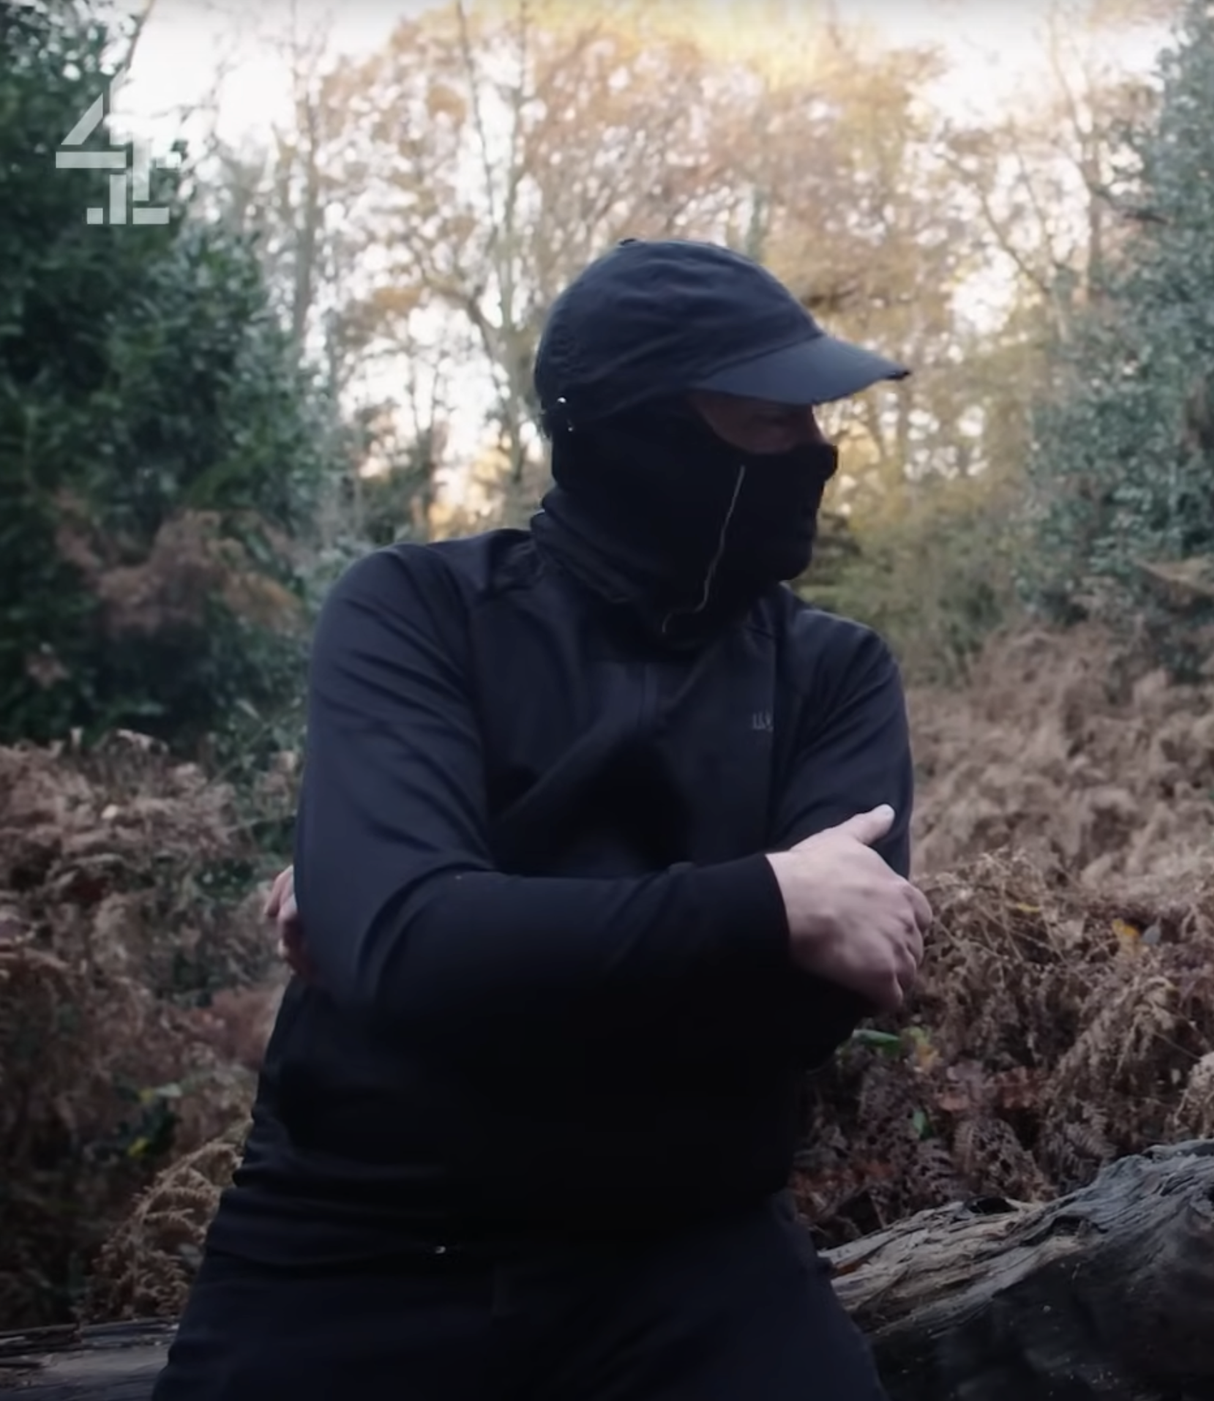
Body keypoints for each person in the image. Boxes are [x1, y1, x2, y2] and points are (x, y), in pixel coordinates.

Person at [152, 238, 931, 1401]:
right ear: (637, 434)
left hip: (695, 1247)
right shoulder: (414, 610)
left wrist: (458, 927)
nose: (815, 452)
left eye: (817, 420)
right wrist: (770, 899)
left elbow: (814, 1001)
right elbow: (419, 950)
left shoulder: (834, 672)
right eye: (773, 419)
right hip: (363, 1244)